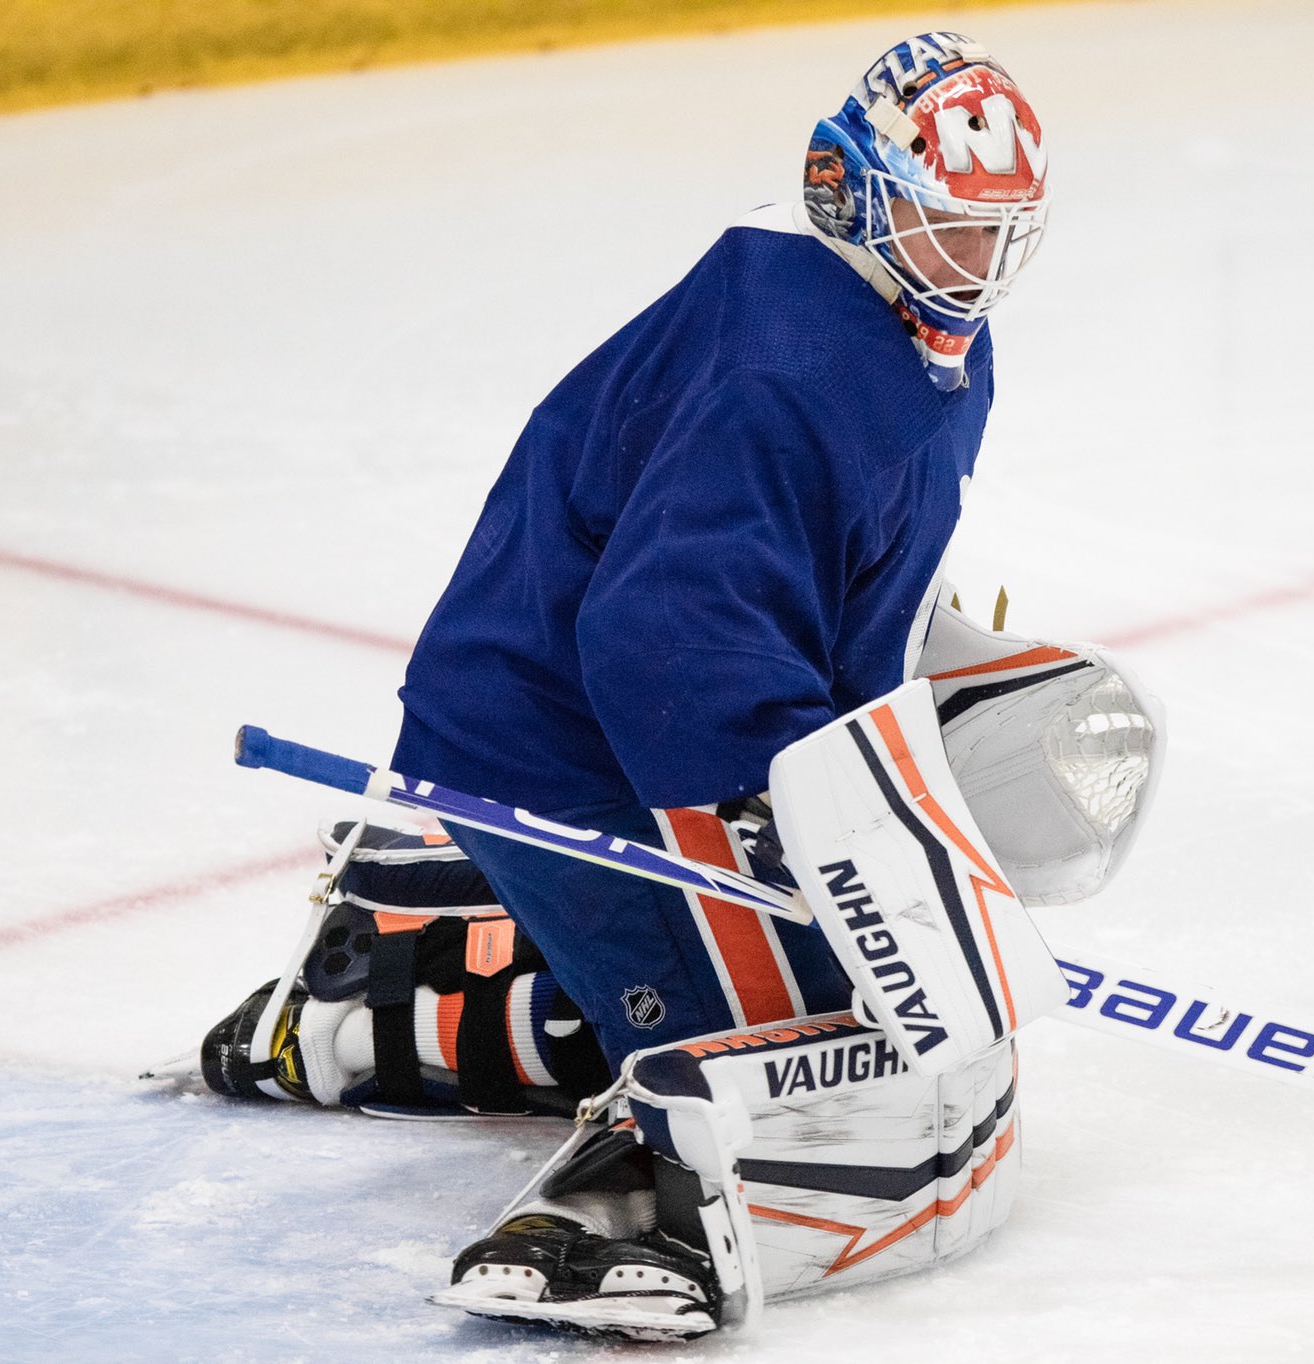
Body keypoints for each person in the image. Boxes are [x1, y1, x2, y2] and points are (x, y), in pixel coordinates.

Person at [202, 31, 1087, 1340]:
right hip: (569, 745)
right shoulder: (787, 368)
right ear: (848, 191)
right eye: (945, 227)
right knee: (841, 1047)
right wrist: (789, 814)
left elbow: (828, 566)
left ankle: (394, 974)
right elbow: (662, 632)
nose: (975, 268)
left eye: (997, 235)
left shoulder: (917, 332)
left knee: (862, 989)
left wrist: (874, 759)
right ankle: (619, 1200)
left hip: (642, 723)